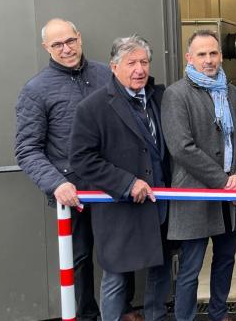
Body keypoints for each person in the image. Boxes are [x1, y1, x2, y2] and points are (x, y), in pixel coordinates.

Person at [15, 18, 141, 321]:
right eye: (57, 44)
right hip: (74, 193)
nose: (66, 49)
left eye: (70, 41)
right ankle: (86, 315)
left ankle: (124, 310)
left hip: (114, 185)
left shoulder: (107, 74)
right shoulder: (35, 90)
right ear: (46, 47)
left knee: (122, 252)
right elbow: (27, 149)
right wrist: (56, 184)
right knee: (80, 258)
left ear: (79, 38)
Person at [70, 35, 172, 321]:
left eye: (144, 62)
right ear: (114, 67)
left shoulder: (160, 97)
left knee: (160, 271)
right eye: (131, 63)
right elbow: (81, 159)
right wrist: (127, 183)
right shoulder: (93, 108)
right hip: (120, 209)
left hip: (160, 205)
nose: (139, 69)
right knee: (115, 278)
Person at [160, 29, 236, 321]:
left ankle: (218, 313)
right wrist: (223, 182)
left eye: (213, 53)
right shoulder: (176, 94)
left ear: (221, 56)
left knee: (225, 260)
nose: (208, 60)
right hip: (195, 194)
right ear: (189, 58)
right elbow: (181, 148)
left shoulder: (231, 92)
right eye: (202, 54)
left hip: (229, 196)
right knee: (190, 267)